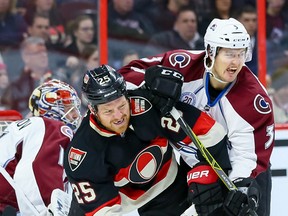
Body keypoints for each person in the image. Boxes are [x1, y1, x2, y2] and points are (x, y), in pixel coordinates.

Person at [118, 18, 275, 216]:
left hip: (241, 171)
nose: (235, 62)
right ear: (210, 51)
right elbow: (124, 75)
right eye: (228, 54)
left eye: (240, 54)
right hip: (193, 162)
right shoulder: (182, 65)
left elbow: (247, 158)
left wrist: (241, 190)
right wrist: (151, 83)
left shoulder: (253, 101)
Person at [64, 64, 233, 215]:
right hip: (121, 207)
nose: (118, 116)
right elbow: (104, 211)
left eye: (121, 105)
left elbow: (210, 132)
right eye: (108, 111)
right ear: (93, 110)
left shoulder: (147, 106)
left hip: (171, 186)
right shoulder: (82, 153)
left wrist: (207, 170)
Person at [0, 79, 82, 215]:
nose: (75, 114)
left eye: (75, 108)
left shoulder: (29, 129)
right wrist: (44, 211)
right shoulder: (50, 126)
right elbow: (34, 171)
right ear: (49, 107)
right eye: (68, 108)